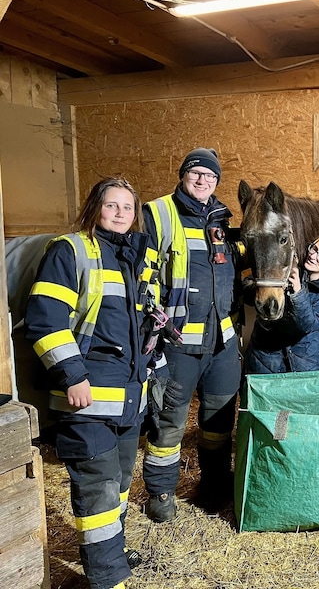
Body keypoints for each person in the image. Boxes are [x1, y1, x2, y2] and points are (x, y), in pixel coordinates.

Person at [26, 177, 153, 589]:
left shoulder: (134, 257)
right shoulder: (70, 251)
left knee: (117, 485)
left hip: (128, 399)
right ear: (95, 207)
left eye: (128, 207)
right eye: (112, 205)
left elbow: (138, 327)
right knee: (97, 488)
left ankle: (113, 553)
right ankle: (106, 575)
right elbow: (46, 322)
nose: (120, 213)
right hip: (88, 399)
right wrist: (73, 376)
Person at [142, 148, 242, 521]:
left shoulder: (222, 219)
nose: (203, 181)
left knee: (218, 422)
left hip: (222, 343)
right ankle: (161, 492)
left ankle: (214, 485)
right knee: (170, 421)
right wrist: (155, 318)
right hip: (179, 342)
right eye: (196, 173)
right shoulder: (160, 213)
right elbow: (145, 274)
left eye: (210, 176)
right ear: (183, 175)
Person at [243, 234, 319, 374]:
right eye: (314, 249)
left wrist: (298, 292)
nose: (313, 256)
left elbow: (309, 325)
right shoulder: (288, 265)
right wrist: (269, 287)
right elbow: (247, 289)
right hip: (265, 357)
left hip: (304, 363)